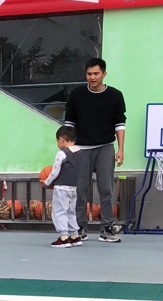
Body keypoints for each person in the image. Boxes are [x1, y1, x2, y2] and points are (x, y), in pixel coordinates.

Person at [62, 58, 126, 243]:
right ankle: (79, 227)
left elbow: (120, 124)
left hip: (105, 147)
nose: (92, 77)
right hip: (81, 149)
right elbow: (69, 123)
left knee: (106, 189)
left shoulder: (115, 95)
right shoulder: (77, 95)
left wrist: (120, 149)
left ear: (104, 74)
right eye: (89, 74)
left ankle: (107, 228)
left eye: (96, 73)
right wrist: (69, 149)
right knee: (81, 189)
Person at [44, 125, 81, 248]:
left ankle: (64, 237)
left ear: (61, 139)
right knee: (71, 212)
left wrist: (47, 182)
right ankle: (75, 236)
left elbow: (55, 172)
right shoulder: (80, 153)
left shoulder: (62, 153)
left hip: (61, 188)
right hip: (74, 187)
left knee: (59, 211)